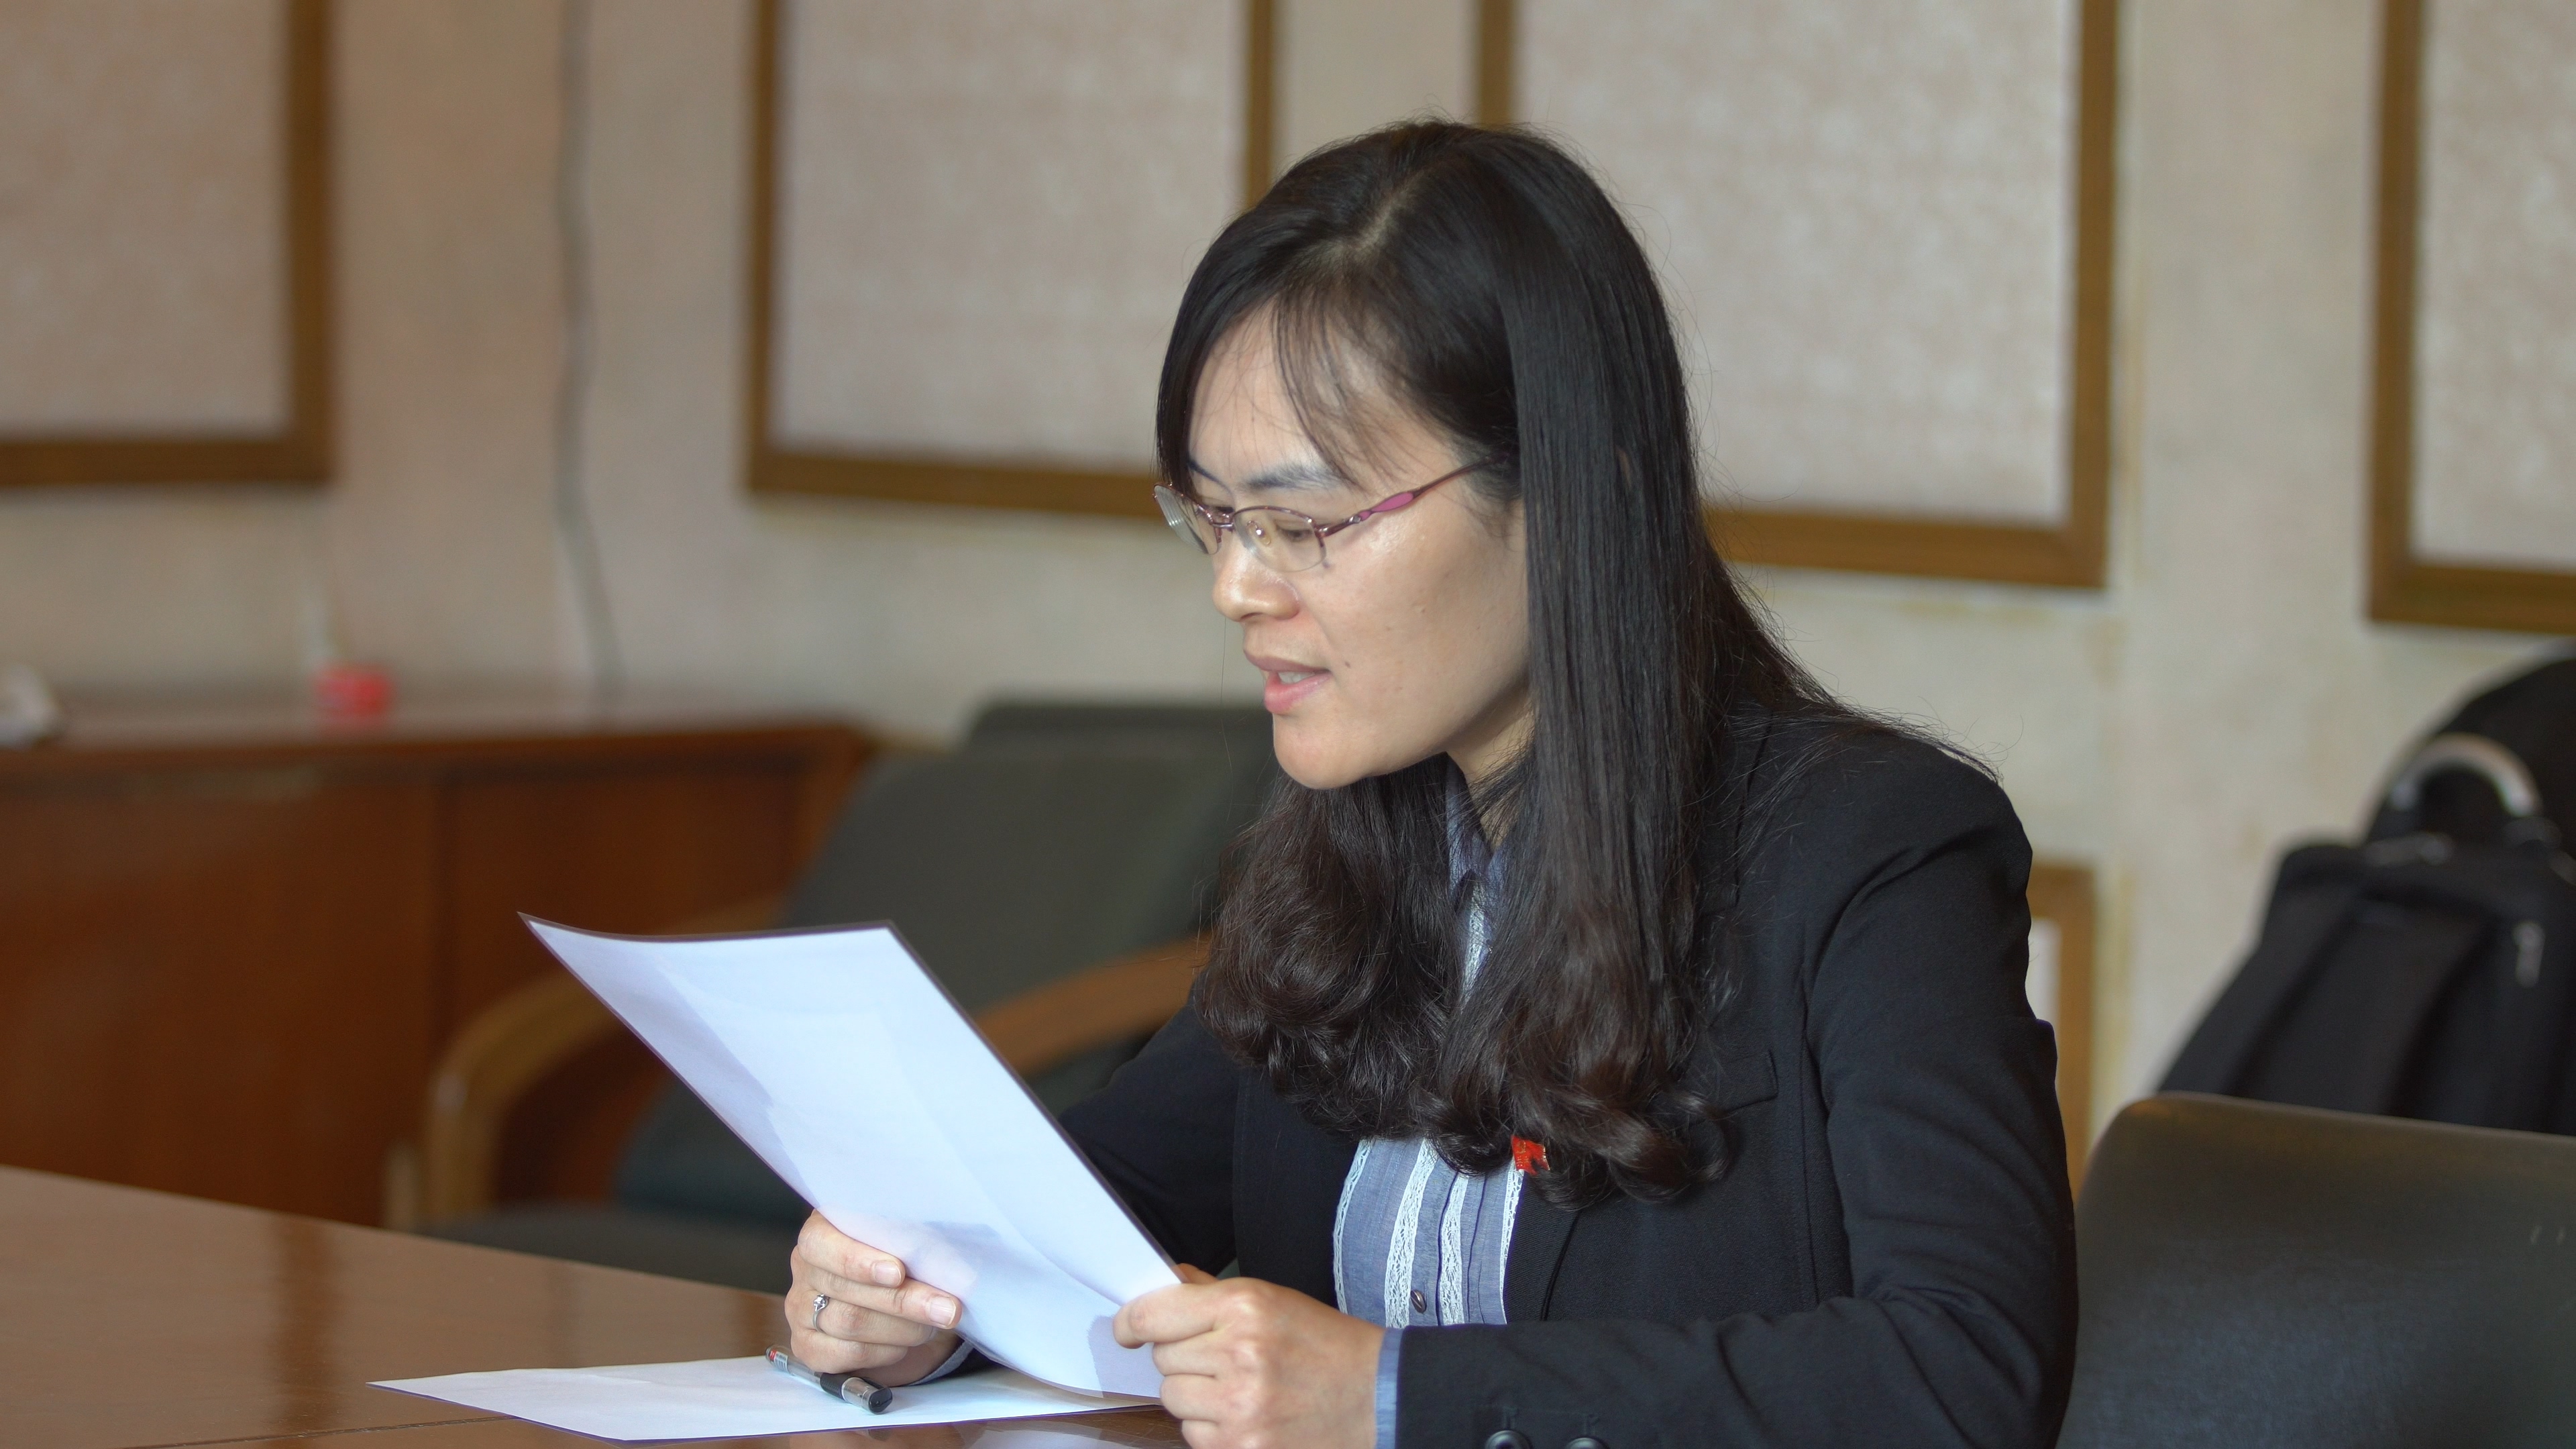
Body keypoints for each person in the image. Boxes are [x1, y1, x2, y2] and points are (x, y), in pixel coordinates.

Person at [783, 121, 2076, 1449]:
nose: (1237, 587)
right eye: (1217, 519)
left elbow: (1965, 1370)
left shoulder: (1871, 854)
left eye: (1305, 524)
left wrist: (1395, 1395)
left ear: (1570, 498)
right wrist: (916, 1293)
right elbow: (1092, 1212)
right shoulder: (1346, 855)